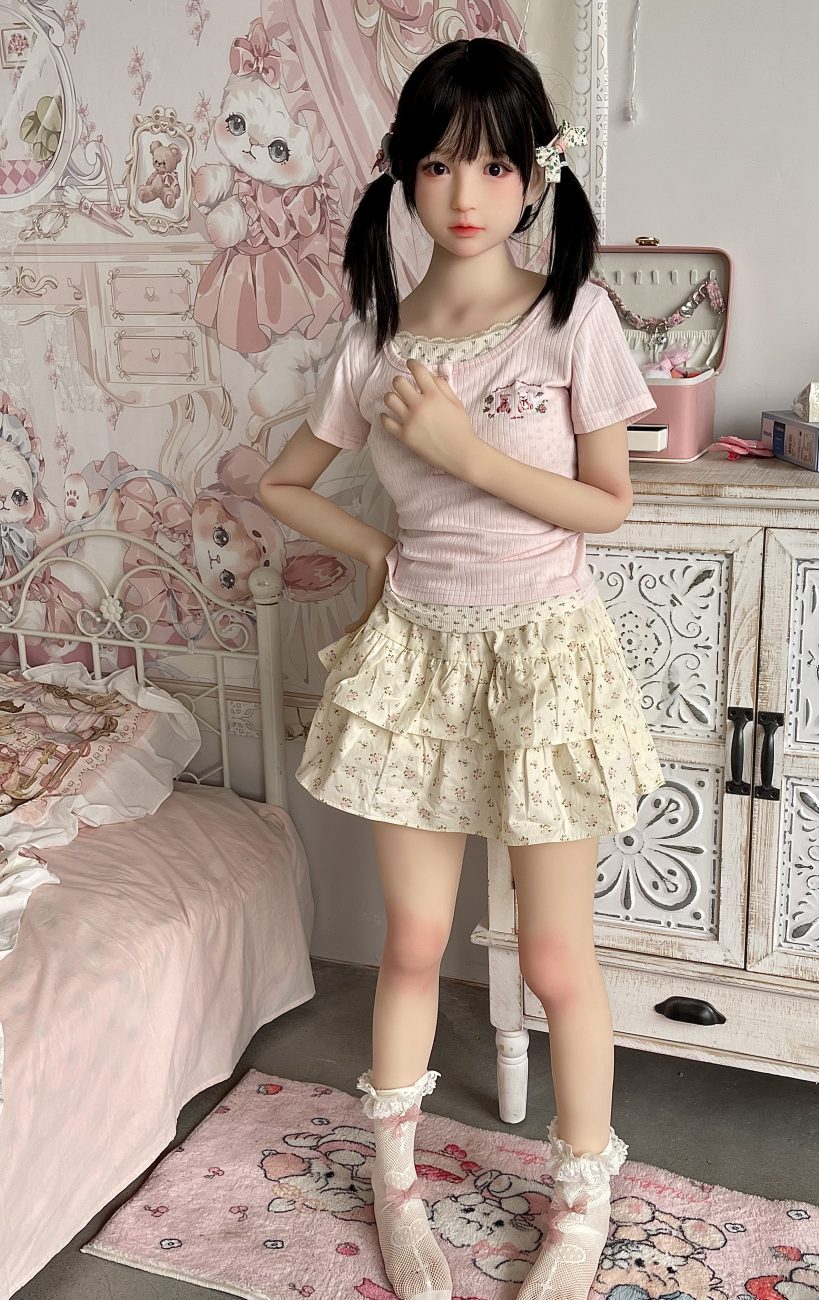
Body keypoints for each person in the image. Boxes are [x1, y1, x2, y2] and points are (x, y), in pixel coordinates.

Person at [258, 36, 665, 1300]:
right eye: (438, 165)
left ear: (536, 175)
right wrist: (381, 550)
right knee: (418, 939)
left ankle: (581, 1200)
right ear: (403, 173)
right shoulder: (375, 338)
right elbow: (282, 484)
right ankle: (397, 1188)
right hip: (420, 659)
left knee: (554, 959)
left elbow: (610, 504)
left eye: (494, 165)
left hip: (544, 659)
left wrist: (465, 451)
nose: (466, 192)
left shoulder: (571, 314)